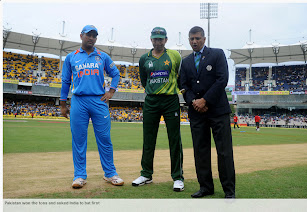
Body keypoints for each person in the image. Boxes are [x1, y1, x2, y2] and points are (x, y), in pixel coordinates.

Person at [60, 25, 124, 189]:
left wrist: (111, 92)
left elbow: (116, 74)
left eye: (94, 36)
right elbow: (66, 81)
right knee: (79, 140)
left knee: (104, 139)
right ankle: (79, 176)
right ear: (81, 36)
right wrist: (62, 104)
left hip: (99, 101)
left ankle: (110, 173)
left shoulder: (102, 56)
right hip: (78, 101)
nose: (91, 38)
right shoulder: (71, 57)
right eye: (88, 35)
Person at [180, 26, 235, 198]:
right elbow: (183, 85)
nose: (194, 41)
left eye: (197, 38)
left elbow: (222, 79)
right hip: (197, 113)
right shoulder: (186, 61)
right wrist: (193, 101)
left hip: (217, 110)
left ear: (204, 39)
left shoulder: (217, 54)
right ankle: (205, 187)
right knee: (200, 151)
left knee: (224, 152)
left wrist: (205, 100)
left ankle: (229, 190)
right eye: (191, 39)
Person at [132, 27, 184, 192]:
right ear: (151, 39)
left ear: (166, 40)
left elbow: (179, 76)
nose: (158, 42)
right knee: (148, 139)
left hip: (170, 101)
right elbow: (144, 80)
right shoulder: (144, 59)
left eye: (161, 39)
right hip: (151, 101)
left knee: (174, 139)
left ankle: (177, 177)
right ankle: (146, 174)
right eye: (155, 39)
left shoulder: (174, 56)